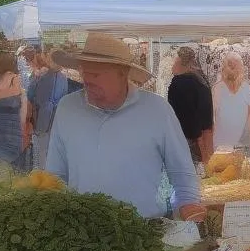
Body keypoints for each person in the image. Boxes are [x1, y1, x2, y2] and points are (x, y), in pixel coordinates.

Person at [48, 33, 203, 221]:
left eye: (95, 74)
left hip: (145, 233)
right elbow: (55, 175)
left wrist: (191, 216)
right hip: (82, 235)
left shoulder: (157, 110)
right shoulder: (66, 108)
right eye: (84, 72)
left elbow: (182, 175)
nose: (86, 80)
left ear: (122, 74)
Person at [167, 46, 214, 166]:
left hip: (187, 140)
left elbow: (182, 117)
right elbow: (207, 118)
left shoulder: (178, 83)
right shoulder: (203, 81)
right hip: (203, 140)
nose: (172, 67)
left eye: (174, 63)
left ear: (182, 64)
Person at [213, 51, 250, 154]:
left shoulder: (217, 89)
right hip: (226, 149)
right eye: (230, 65)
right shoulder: (249, 89)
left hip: (232, 148)